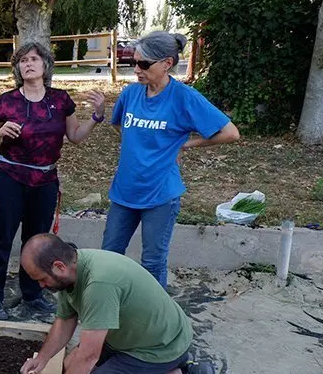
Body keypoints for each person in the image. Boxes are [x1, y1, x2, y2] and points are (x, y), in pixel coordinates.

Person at [15, 234, 215, 374]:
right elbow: (65, 321)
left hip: (158, 348)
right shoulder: (73, 267)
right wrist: (42, 358)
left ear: (58, 266)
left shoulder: (98, 284)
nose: (41, 285)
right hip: (127, 336)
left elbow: (88, 356)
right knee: (69, 365)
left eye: (41, 279)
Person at [101, 31, 240, 288]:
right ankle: (106, 307)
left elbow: (230, 133)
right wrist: (142, 146)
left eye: (144, 64)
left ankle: (155, 321)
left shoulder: (184, 97)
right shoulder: (130, 94)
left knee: (152, 262)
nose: (137, 70)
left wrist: (187, 144)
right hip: (124, 191)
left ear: (167, 63)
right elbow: (119, 125)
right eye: (134, 63)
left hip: (160, 195)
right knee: (108, 257)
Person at [0, 41, 105, 320]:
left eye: (34, 59)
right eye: (23, 61)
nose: (28, 64)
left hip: (45, 180)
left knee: (37, 241)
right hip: (10, 177)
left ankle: (32, 294)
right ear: (18, 68)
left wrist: (97, 116)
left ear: (45, 65)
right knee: (3, 239)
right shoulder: (7, 100)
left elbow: (75, 137)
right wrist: (0, 130)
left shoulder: (60, 100)